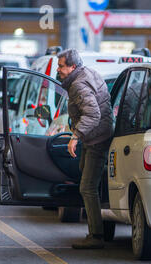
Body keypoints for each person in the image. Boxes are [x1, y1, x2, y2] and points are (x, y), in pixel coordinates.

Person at [57, 49, 114, 249]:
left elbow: (92, 115)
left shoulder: (79, 85)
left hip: (97, 139)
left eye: (62, 66)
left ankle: (96, 236)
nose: (59, 70)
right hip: (97, 136)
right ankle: (101, 224)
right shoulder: (87, 72)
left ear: (72, 66)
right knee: (85, 175)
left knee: (87, 187)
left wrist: (75, 137)